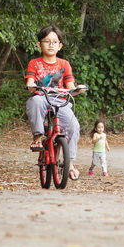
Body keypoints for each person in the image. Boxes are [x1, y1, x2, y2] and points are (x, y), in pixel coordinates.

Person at [25, 25, 81, 180]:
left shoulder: (64, 64)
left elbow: (70, 86)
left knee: (74, 125)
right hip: (42, 98)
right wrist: (31, 86)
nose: (51, 45)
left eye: (54, 42)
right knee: (35, 101)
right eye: (47, 41)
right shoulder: (34, 63)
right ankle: (37, 138)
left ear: (60, 46)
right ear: (39, 44)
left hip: (59, 100)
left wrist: (77, 89)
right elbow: (30, 81)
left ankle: (69, 162)